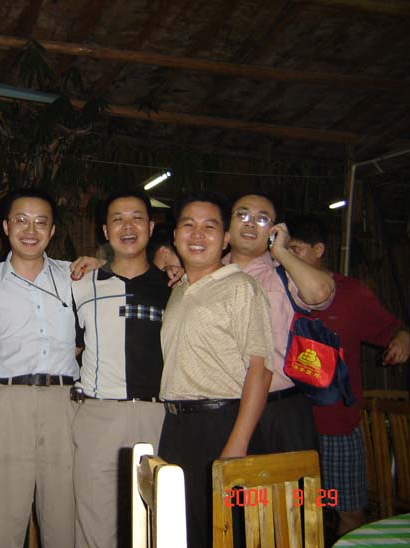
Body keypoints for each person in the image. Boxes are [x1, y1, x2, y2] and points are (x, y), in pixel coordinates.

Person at [159, 191, 274, 548]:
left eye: (209, 227)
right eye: (188, 225)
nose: (197, 235)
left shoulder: (241, 286)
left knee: (229, 534)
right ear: (175, 236)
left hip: (222, 424)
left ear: (225, 239)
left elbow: (261, 370)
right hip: (176, 426)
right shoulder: (178, 289)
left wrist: (237, 445)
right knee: (184, 533)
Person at [0, 188, 78, 548]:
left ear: (53, 230)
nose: (31, 230)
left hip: (66, 405)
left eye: (41, 222)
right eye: (21, 220)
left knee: (66, 519)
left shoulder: (75, 277)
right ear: (5, 226)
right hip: (5, 404)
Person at [288, 215, 410, 536]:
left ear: (318, 250)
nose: (286, 258)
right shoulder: (275, 290)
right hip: (288, 426)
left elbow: (391, 327)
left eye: (295, 250)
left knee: (350, 513)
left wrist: (402, 338)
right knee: (293, 515)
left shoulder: (351, 293)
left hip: (337, 427)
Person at [71, 190, 170, 548]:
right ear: (105, 230)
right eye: (117, 219)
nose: (128, 227)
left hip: (157, 417)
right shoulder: (81, 284)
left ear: (151, 227)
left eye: (137, 218)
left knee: (156, 524)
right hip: (98, 416)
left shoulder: (173, 287)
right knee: (94, 523)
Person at [225, 193, 335, 453]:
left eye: (262, 219)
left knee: (293, 480)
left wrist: (282, 252)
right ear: (228, 224)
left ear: (274, 230)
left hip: (281, 409)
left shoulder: (282, 273)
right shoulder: (211, 274)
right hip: (226, 407)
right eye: (242, 214)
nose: (250, 223)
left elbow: (321, 293)